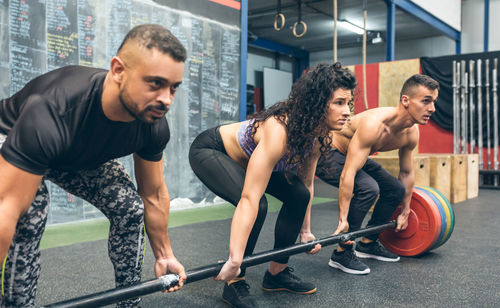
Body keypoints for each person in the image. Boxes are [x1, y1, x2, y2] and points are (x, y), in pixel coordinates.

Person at [0, 24, 187, 307]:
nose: (166, 99)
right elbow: (7, 210)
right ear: (118, 70)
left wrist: (164, 255)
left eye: (173, 88)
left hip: (71, 155)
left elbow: (152, 194)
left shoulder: (152, 124)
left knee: (129, 207)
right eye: (155, 83)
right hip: (13, 139)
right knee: (31, 215)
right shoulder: (55, 109)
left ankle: (129, 303)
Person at [189, 62, 356, 307]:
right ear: (318, 102)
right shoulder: (279, 130)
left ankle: (277, 273)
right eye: (339, 103)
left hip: (249, 161)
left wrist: (305, 231)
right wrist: (234, 259)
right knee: (260, 205)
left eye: (348, 103)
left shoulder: (319, 134)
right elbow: (249, 199)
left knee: (298, 194)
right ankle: (235, 281)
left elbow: (307, 183)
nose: (347, 111)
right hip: (213, 150)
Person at [307, 74, 439, 275]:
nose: (432, 109)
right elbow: (348, 173)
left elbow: (406, 173)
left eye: (434, 102)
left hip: (352, 154)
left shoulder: (411, 133)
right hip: (327, 152)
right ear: (405, 100)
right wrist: (343, 220)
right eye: (426, 101)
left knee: (395, 189)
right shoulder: (375, 125)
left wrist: (405, 211)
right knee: (369, 187)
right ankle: (342, 252)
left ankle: (368, 243)